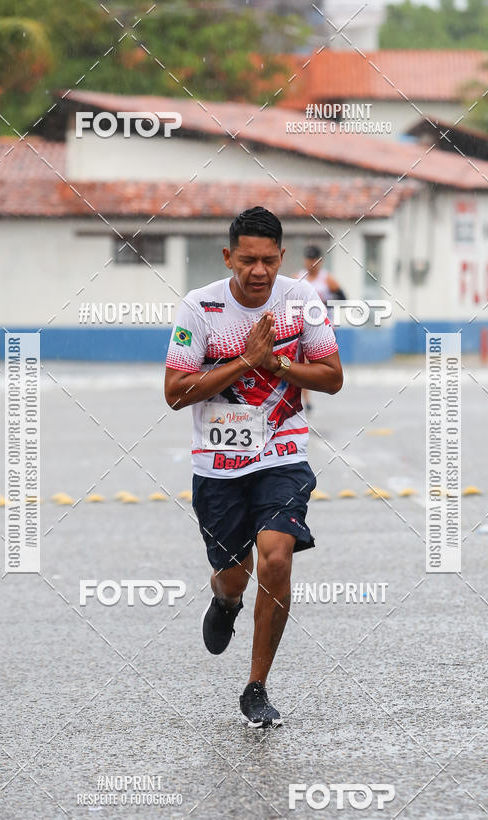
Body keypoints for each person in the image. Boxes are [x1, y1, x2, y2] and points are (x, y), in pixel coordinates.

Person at [164, 207, 343, 728]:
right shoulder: (199, 309)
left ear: (282, 258)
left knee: (277, 556)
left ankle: (256, 687)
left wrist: (277, 363)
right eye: (247, 260)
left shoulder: (301, 301)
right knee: (234, 577)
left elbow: (332, 378)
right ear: (228, 257)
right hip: (218, 466)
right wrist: (245, 360)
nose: (259, 270)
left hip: (283, 454)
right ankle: (224, 602)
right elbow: (175, 394)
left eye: (268, 260)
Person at [295, 245, 345, 412]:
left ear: (320, 262)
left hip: (325, 327)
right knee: (303, 363)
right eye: (309, 261)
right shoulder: (298, 278)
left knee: (316, 365)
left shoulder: (327, 279)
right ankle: (305, 399)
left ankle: (314, 391)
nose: (311, 264)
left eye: (314, 261)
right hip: (302, 327)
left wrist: (321, 305)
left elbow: (343, 299)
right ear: (305, 261)